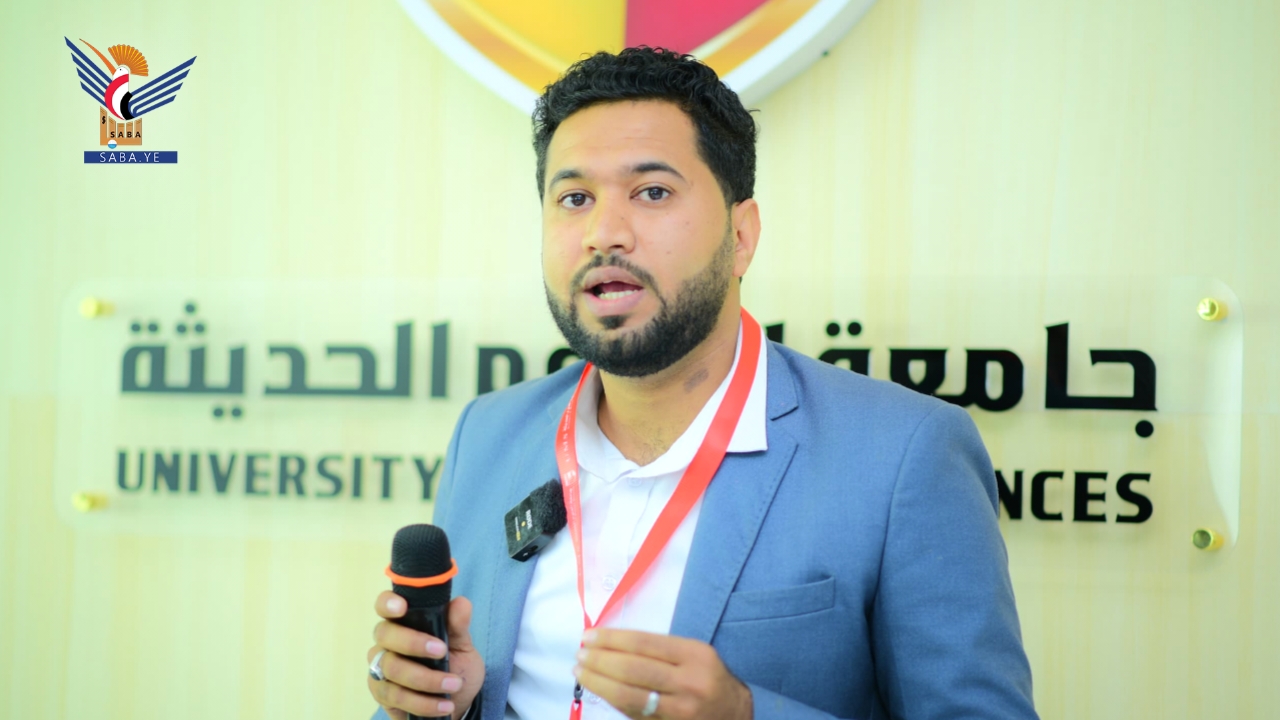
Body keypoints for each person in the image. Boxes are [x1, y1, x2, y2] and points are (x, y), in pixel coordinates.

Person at [367, 47, 1037, 720]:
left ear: (741, 236)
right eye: (574, 199)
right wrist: (447, 704)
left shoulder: (903, 453)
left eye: (652, 192)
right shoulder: (488, 433)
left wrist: (746, 714)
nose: (604, 233)